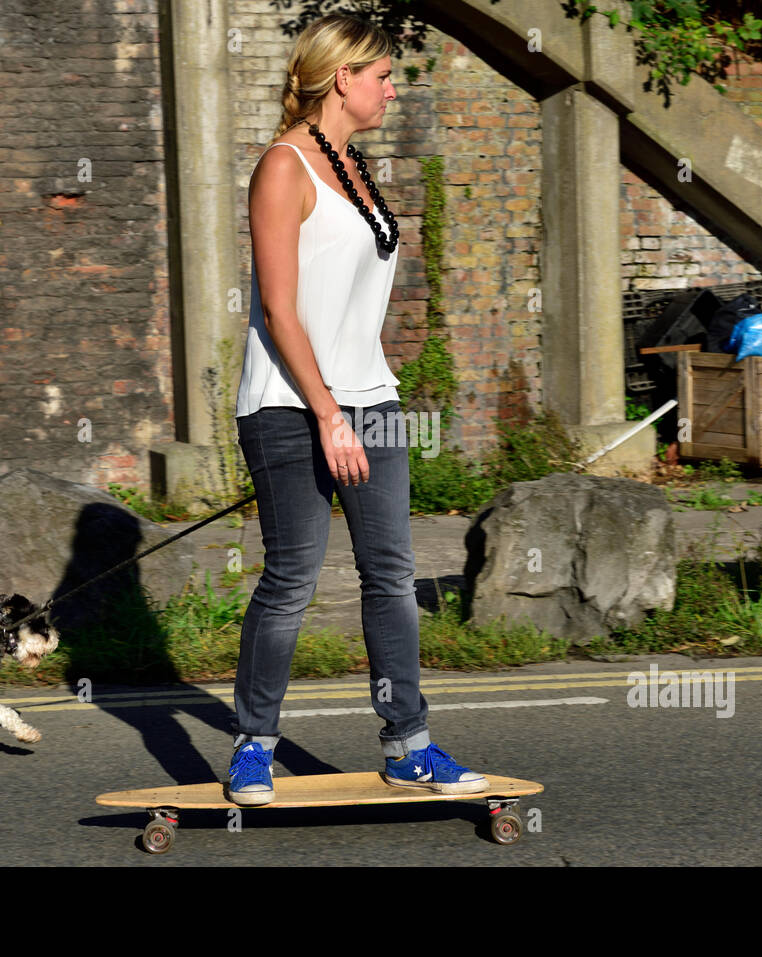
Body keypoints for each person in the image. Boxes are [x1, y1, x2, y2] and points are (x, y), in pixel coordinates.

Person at [228, 13, 487, 805]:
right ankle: (253, 746)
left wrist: (360, 398)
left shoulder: (355, 164)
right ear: (342, 77)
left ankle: (409, 744)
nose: (390, 85)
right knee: (292, 576)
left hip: (373, 399)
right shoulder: (283, 168)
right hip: (288, 404)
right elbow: (280, 310)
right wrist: (327, 412)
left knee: (392, 575)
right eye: (380, 72)